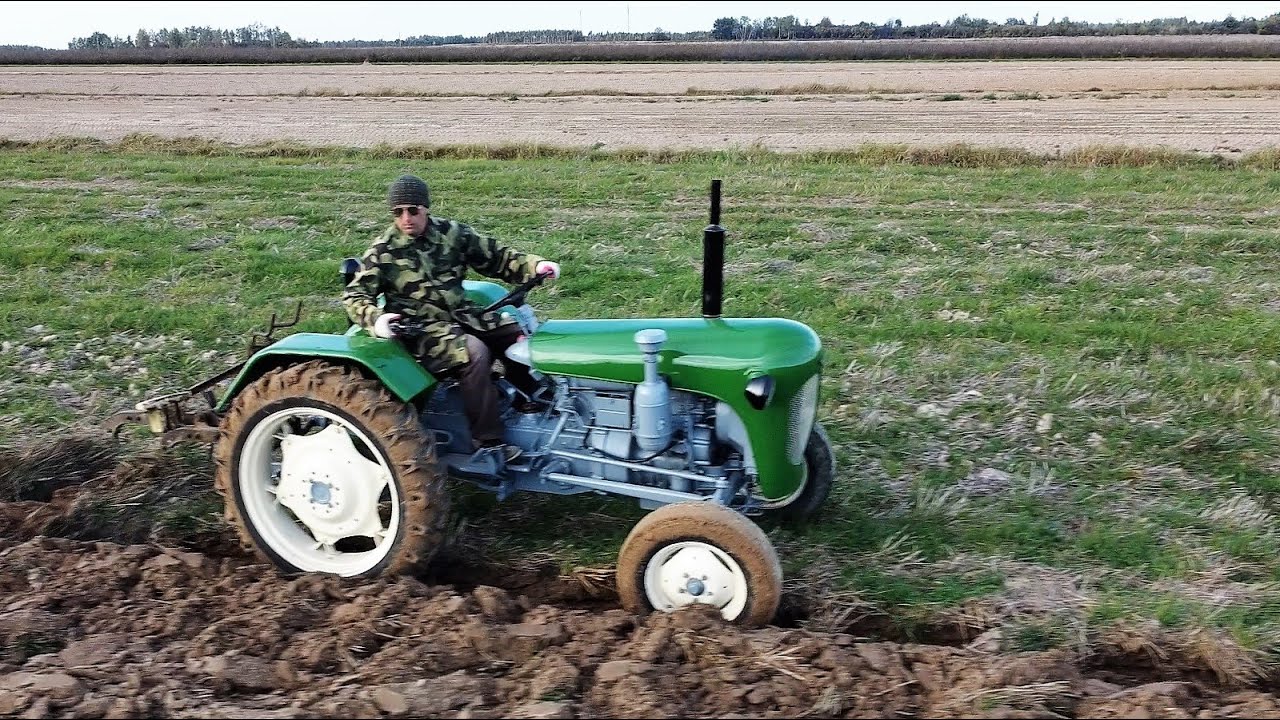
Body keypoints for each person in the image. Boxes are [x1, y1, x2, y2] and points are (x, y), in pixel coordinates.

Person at [342, 174, 560, 463]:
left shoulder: (452, 233)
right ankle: (488, 442)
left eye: (413, 210)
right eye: (398, 212)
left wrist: (534, 266)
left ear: (426, 208)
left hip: (462, 316)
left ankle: (531, 398)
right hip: (420, 331)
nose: (406, 218)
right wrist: (376, 320)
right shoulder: (383, 250)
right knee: (474, 352)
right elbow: (355, 295)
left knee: (514, 334)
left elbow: (496, 257)